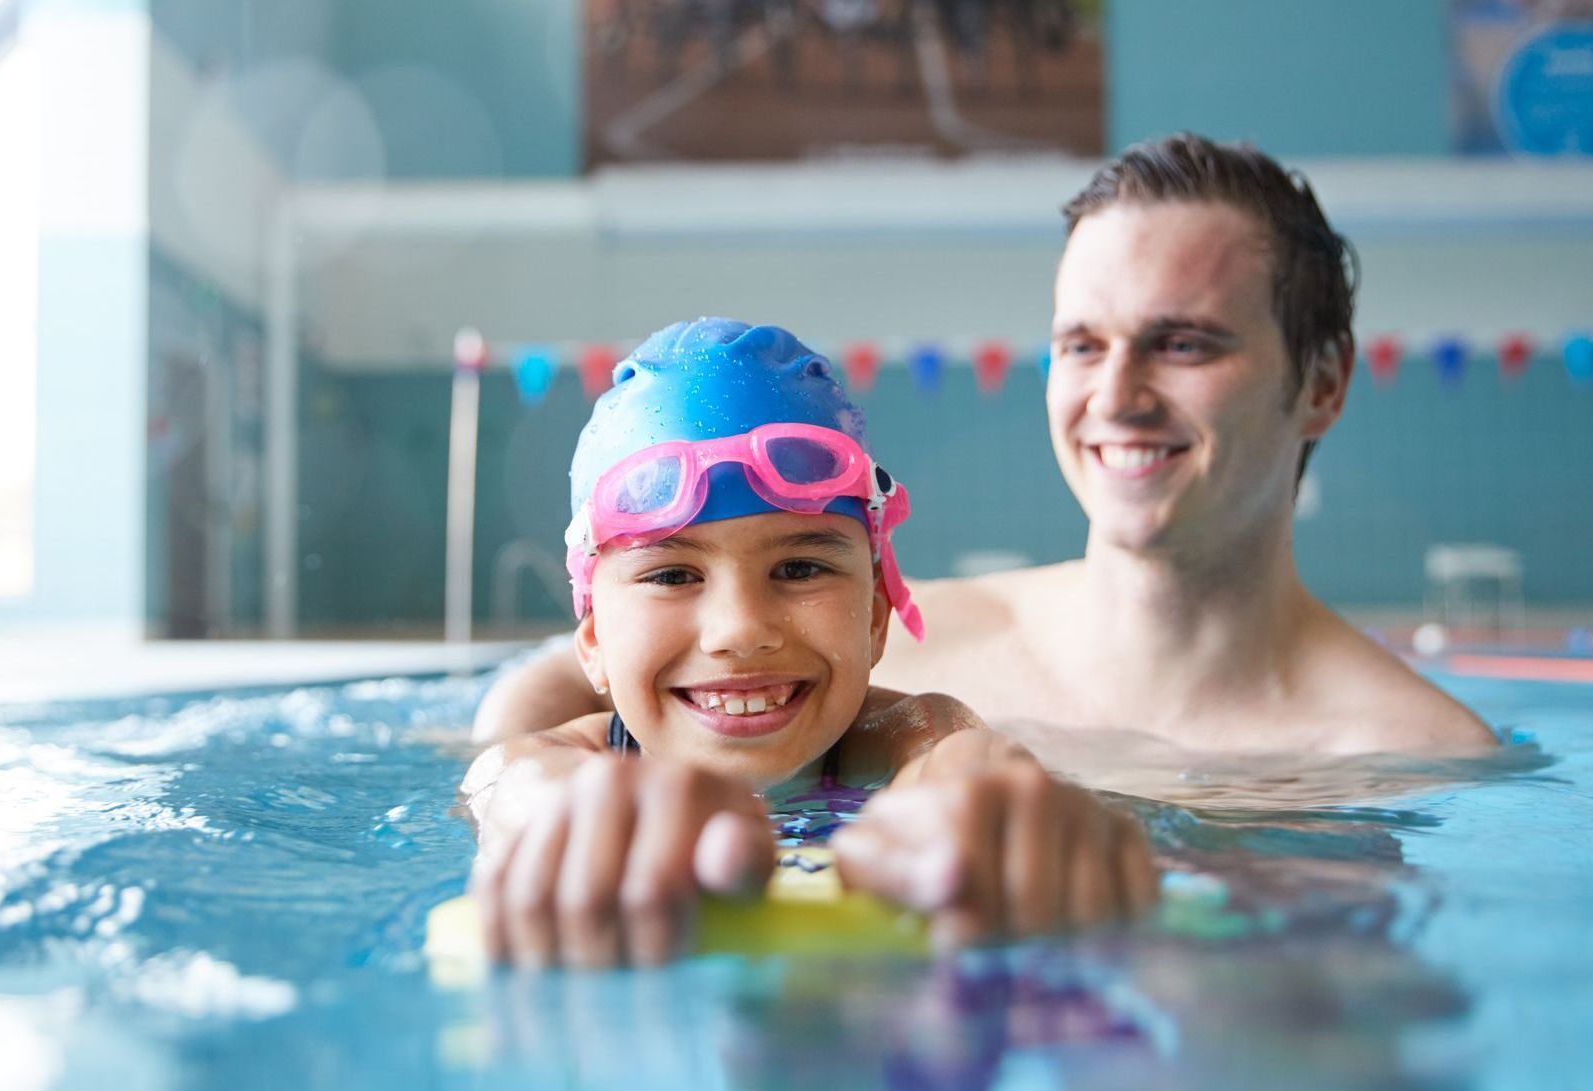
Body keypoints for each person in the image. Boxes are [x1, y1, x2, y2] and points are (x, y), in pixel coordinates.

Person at [474, 134, 1493, 764]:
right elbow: (575, 675)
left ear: (1322, 381)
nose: (1117, 394)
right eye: (1081, 345)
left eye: (1182, 344)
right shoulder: (907, 633)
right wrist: (518, 777)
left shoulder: (1412, 749)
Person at [464, 318, 1157, 969]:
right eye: (672, 574)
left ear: (877, 616)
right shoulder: (556, 756)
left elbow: (959, 765)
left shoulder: (903, 736)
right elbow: (514, 783)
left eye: (799, 568)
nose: (740, 629)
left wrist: (991, 809)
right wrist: (569, 817)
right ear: (592, 643)